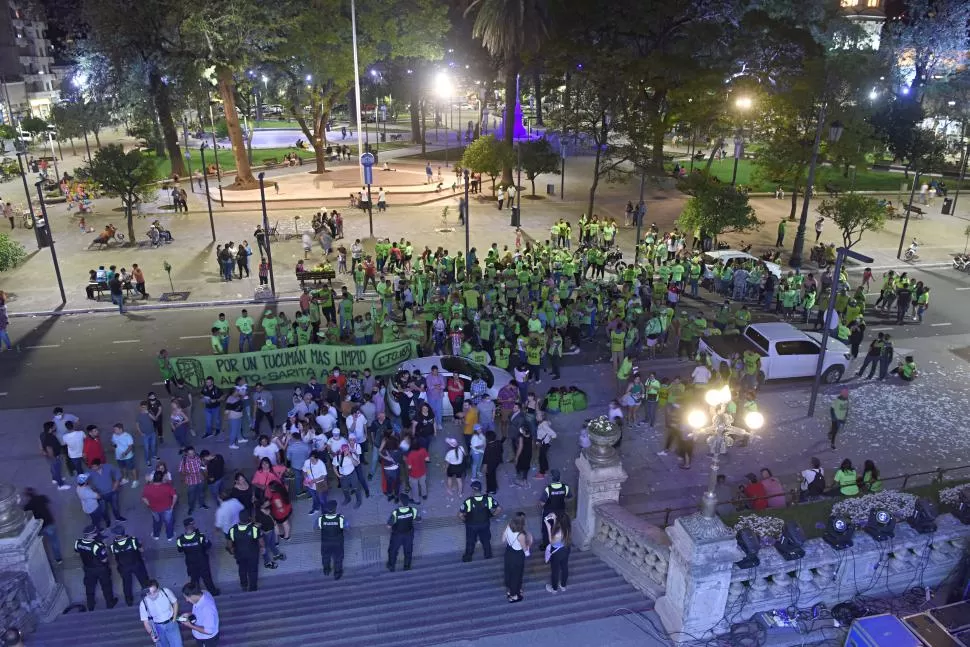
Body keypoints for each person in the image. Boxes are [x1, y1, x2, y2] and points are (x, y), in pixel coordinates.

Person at [74, 525, 118, 611]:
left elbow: (77, 553)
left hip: (88, 569)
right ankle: (110, 603)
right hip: (101, 569)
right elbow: (104, 560)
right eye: (95, 533)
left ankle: (91, 605)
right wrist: (106, 549)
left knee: (89, 587)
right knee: (106, 586)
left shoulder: (78, 542)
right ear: (92, 535)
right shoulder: (97, 546)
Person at [176, 518, 220, 596]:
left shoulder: (180, 539)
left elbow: (180, 550)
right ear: (191, 525)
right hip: (202, 560)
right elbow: (208, 545)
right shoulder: (200, 536)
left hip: (190, 562)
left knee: (194, 578)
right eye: (193, 524)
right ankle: (213, 592)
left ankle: (195, 593)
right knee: (206, 577)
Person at [460, 480, 502, 562]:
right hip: (484, 524)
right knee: (486, 540)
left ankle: (468, 557)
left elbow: (460, 515)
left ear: (473, 489)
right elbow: (499, 509)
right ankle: (488, 555)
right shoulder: (488, 499)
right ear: (480, 489)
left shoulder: (468, 501)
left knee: (470, 541)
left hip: (471, 525)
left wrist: (465, 521)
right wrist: (492, 515)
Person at [110, 524, 151, 607]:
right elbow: (141, 549)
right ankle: (149, 596)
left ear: (117, 535)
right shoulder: (132, 540)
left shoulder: (113, 545)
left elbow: (115, 556)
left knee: (126, 584)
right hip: (137, 564)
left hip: (123, 567)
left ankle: (129, 601)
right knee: (144, 580)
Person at [22, 487, 63, 564]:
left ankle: (44, 559)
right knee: (54, 542)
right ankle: (58, 559)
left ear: (27, 496)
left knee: (41, 543)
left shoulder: (28, 505)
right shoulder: (42, 497)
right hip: (49, 523)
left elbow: (24, 513)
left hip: (40, 526)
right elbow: (49, 502)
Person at [227, 509, 263, 592]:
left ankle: (244, 585)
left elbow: (229, 544)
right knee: (253, 570)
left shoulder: (232, 530)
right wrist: (262, 547)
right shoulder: (254, 529)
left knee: (242, 569)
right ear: (249, 518)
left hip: (239, 554)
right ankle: (253, 587)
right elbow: (261, 541)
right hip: (253, 554)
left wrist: (232, 550)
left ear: (239, 518)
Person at [139, 580, 182, 647]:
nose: (152, 595)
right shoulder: (143, 603)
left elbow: (175, 602)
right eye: (149, 593)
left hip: (171, 622)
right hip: (158, 627)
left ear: (158, 589)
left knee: (177, 645)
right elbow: (146, 621)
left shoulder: (166, 591)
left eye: (155, 592)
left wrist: (174, 617)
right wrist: (152, 634)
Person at [538, 470, 572, 548]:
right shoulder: (565, 487)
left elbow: (542, 502)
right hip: (561, 512)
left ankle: (546, 545)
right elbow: (570, 498)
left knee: (546, 528)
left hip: (548, 512)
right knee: (560, 526)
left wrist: (544, 506)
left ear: (551, 478)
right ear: (560, 478)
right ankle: (561, 542)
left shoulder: (548, 489)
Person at [386, 493, 420, 571]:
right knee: (408, 550)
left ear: (400, 502)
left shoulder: (396, 512)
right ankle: (407, 566)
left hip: (397, 535)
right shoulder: (413, 510)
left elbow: (388, 526)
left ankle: (391, 566)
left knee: (393, 550)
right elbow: (419, 520)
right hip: (409, 534)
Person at [503, 512, 531, 603]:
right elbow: (525, 551)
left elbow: (503, 539)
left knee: (509, 572)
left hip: (508, 552)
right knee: (516, 575)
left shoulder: (508, 526)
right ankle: (514, 595)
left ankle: (510, 590)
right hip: (517, 556)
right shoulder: (521, 535)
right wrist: (530, 543)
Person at [142, 471, 178, 540]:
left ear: (154, 478)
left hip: (154, 509)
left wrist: (149, 505)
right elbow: (175, 496)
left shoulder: (147, 487)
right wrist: (172, 505)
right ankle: (170, 536)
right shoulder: (167, 487)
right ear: (162, 478)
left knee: (156, 522)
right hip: (167, 508)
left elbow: (144, 498)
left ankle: (156, 535)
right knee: (169, 522)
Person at [543, 511, 572, 594]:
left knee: (555, 570)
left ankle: (554, 588)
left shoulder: (557, 534)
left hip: (557, 553)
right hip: (566, 548)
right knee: (564, 567)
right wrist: (554, 517)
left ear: (559, 522)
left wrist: (548, 527)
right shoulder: (567, 526)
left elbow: (551, 542)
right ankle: (563, 586)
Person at [318, 500, 346, 579]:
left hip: (326, 541)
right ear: (335, 509)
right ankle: (337, 573)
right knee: (338, 558)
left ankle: (326, 570)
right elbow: (342, 527)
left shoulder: (321, 518)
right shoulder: (340, 518)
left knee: (325, 557)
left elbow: (320, 527)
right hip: (337, 542)